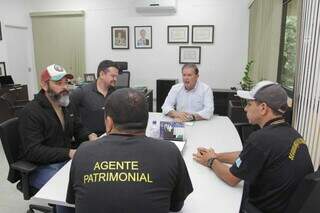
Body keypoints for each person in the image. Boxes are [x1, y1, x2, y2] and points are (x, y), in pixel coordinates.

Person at [193, 81, 314, 213]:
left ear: (263, 108)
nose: (245, 109)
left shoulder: (260, 139)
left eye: (249, 104)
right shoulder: (290, 133)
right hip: (287, 205)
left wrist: (210, 161)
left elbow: (231, 178)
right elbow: (248, 155)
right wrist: (217, 156)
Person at [66, 88, 193, 213]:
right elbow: (176, 206)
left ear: (109, 122)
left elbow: (74, 201)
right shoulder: (169, 152)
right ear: (146, 121)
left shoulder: (83, 152)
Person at [19, 64, 97, 212]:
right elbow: (33, 151)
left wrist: (90, 136)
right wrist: (68, 153)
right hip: (39, 167)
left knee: (91, 180)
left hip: (64, 161)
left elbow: (78, 127)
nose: (65, 87)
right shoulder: (31, 112)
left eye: (66, 82)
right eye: (58, 83)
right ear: (43, 84)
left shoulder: (66, 104)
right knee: (67, 190)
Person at [70, 60, 119, 136]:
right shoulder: (81, 92)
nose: (115, 79)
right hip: (87, 140)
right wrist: (88, 134)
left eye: (116, 76)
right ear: (102, 74)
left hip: (109, 139)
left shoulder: (116, 94)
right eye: (113, 76)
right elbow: (71, 118)